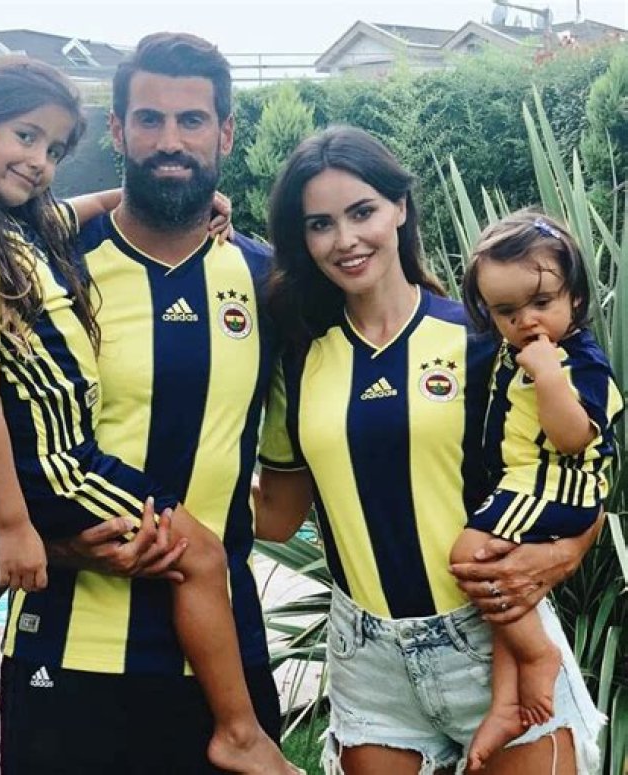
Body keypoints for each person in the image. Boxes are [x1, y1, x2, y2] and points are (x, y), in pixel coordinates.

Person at [0, 46, 299, 775]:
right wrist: (45, 542)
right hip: (63, 649)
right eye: (149, 119)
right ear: (118, 130)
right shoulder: (34, 263)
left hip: (220, 657)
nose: (170, 141)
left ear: (226, 133)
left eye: (192, 120)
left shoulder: (269, 280)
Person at [253, 126, 605, 775]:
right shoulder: (298, 358)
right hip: (370, 659)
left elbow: (569, 466)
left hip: (494, 638)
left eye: (362, 211)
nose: (345, 238)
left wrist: (566, 551)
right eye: (320, 224)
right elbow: (277, 516)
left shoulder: (484, 340)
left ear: (400, 207)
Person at [451, 210, 623, 769]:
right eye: (506, 311)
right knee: (502, 587)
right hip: (525, 485)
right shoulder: (507, 351)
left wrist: (548, 375)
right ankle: (508, 701)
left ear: (576, 296)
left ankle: (539, 656)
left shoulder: (581, 362)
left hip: (556, 487)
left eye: (542, 302)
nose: (527, 320)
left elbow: (573, 438)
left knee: (470, 556)